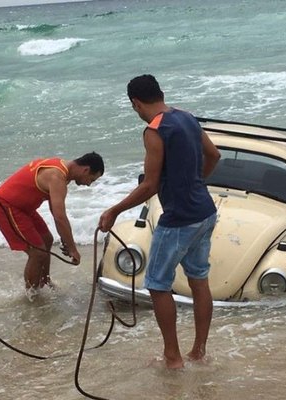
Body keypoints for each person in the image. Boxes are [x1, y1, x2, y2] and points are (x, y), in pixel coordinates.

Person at [98, 74, 221, 369]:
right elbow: (214, 155)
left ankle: (172, 358)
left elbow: (149, 185)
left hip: (179, 219)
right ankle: (199, 352)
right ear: (161, 94)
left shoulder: (155, 130)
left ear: (135, 103)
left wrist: (114, 210)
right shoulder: (187, 118)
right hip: (205, 211)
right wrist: (193, 183)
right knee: (198, 279)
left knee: (156, 284)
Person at [0, 152, 104, 297]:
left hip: (24, 208)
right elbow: (59, 216)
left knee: (47, 239)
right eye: (91, 180)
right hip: (5, 206)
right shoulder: (57, 177)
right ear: (86, 170)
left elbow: (54, 210)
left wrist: (65, 240)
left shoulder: (61, 168)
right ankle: (32, 295)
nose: (89, 184)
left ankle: (44, 281)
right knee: (37, 252)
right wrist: (73, 249)